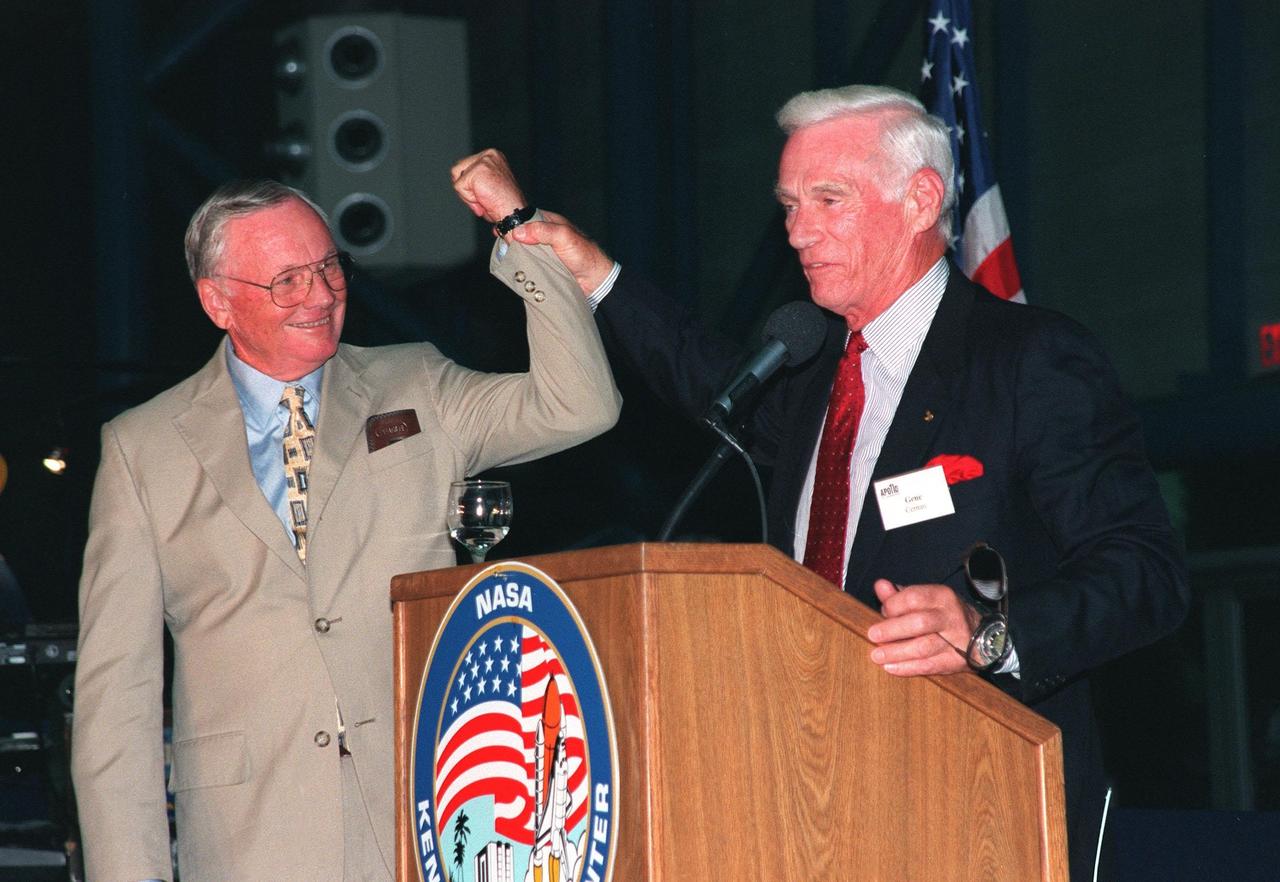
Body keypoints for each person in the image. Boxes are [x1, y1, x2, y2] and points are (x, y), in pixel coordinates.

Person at [475, 85, 1189, 880]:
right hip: (811, 797)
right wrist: (585, 265)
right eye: (789, 205)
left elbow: (1146, 574)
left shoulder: (1026, 359)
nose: (797, 231)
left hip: (979, 805)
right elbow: (699, 370)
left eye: (828, 199)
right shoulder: (815, 373)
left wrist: (987, 633)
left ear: (921, 200)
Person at [70, 154, 621, 881]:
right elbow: (116, 706)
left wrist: (520, 230)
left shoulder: (416, 384)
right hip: (251, 845)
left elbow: (581, 405)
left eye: (329, 267)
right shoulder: (143, 449)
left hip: (430, 827)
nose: (322, 294)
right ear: (218, 302)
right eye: (287, 280)